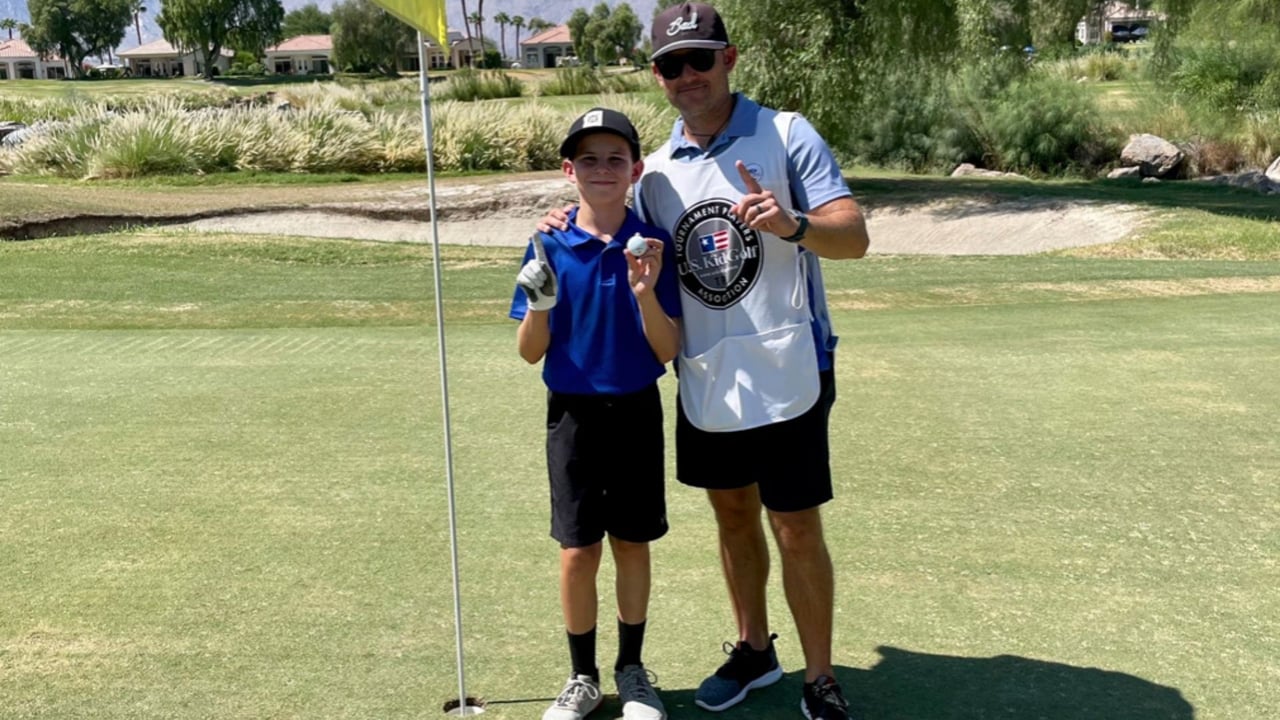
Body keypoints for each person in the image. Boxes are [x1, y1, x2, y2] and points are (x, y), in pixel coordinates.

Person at [538, 4, 870, 719]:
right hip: (707, 373)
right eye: (669, 64)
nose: (687, 75)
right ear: (656, 77)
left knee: (796, 525)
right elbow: (610, 222)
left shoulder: (786, 134)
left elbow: (854, 237)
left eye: (700, 59)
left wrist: (794, 225)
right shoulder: (653, 173)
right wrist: (559, 220)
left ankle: (820, 678)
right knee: (731, 514)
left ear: (730, 59)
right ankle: (755, 650)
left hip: (790, 364)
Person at [511, 107, 683, 720]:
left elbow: (667, 349)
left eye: (615, 159)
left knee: (632, 544)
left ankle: (631, 670)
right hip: (573, 417)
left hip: (636, 410)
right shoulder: (548, 244)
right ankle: (581, 676)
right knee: (578, 550)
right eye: (588, 159)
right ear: (568, 170)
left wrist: (644, 293)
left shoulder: (652, 248)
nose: (602, 169)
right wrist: (539, 302)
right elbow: (531, 352)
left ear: (636, 169)